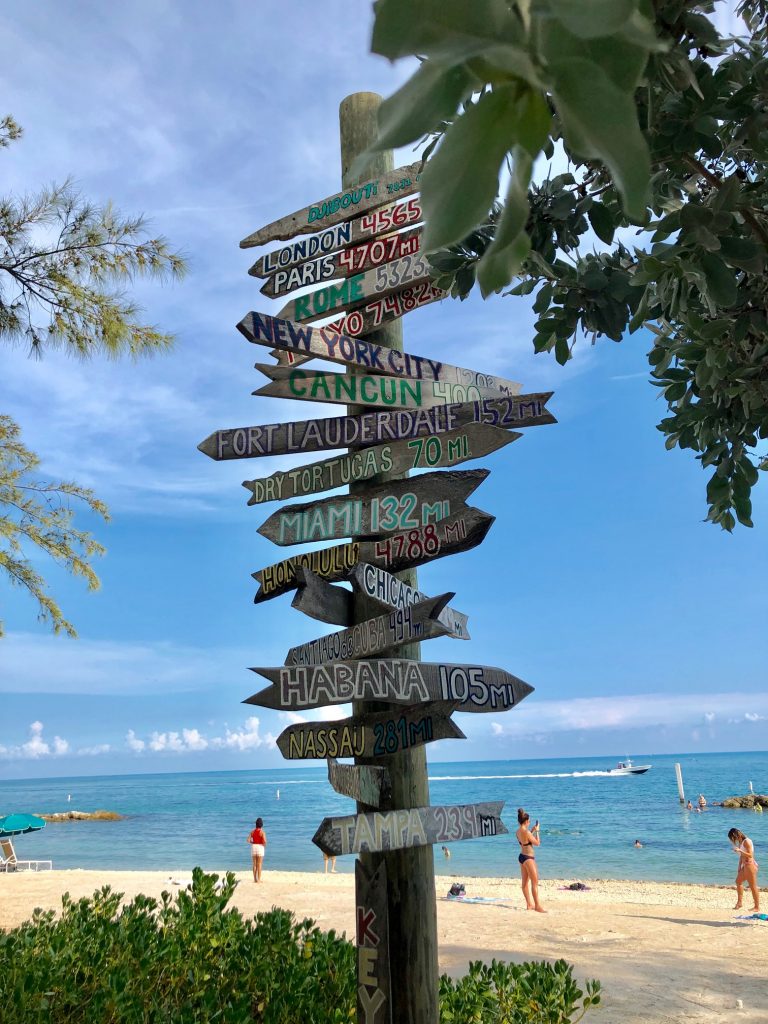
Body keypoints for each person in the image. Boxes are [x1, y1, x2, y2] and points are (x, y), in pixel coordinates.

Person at [515, 808, 545, 913]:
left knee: (524, 883)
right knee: (535, 882)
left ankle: (528, 904)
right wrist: (537, 831)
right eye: (529, 821)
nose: (530, 822)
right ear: (526, 821)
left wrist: (531, 830)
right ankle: (537, 906)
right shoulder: (527, 832)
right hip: (528, 858)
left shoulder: (518, 832)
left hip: (522, 857)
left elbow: (524, 841)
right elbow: (537, 843)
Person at [729, 827, 760, 911]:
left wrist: (740, 850)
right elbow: (741, 856)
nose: (733, 840)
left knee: (753, 886)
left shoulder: (747, 841)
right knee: (738, 881)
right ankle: (739, 903)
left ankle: (757, 907)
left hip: (750, 866)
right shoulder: (741, 842)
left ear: (736, 835)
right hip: (745, 866)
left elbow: (750, 855)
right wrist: (739, 866)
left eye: (733, 838)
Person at [248, 817, 267, 882]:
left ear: (256, 824)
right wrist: (264, 845)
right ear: (261, 824)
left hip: (253, 847)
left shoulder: (252, 832)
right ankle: (259, 879)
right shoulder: (262, 832)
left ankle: (254, 879)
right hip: (260, 847)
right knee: (259, 864)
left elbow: (248, 840)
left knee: (254, 864)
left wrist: (253, 842)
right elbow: (264, 841)